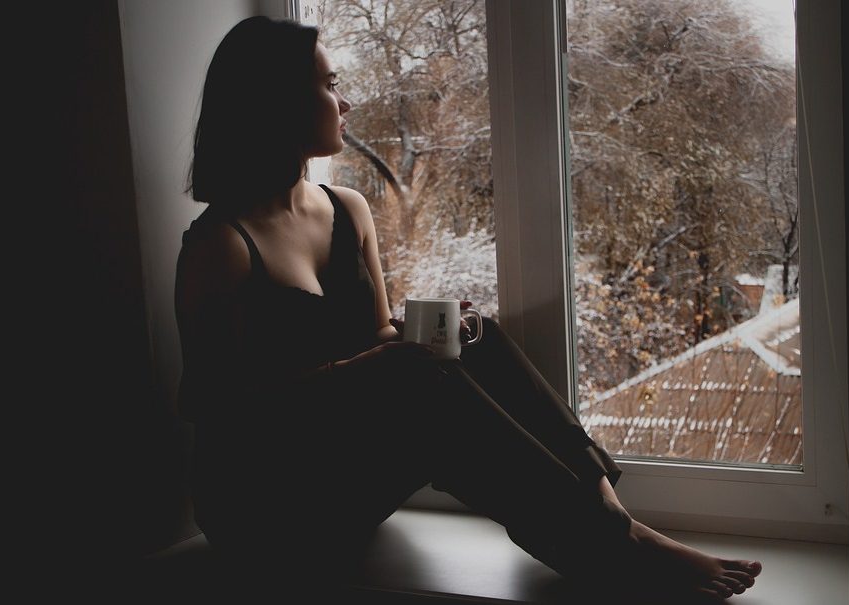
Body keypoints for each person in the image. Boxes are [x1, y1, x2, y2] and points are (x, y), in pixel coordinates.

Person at [174, 15, 762, 602]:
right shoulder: (220, 245)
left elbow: (377, 334)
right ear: (276, 103)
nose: (345, 99)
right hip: (266, 510)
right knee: (418, 376)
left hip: (350, 477)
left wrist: (416, 336)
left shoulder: (347, 209)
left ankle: (613, 518)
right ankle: (618, 544)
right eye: (329, 84)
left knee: (475, 335)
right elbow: (217, 407)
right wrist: (370, 370)